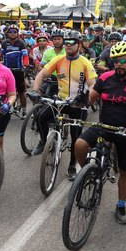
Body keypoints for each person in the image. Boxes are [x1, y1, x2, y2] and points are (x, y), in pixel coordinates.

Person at [74, 41, 126, 224]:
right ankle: (87, 172)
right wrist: (77, 103)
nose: (118, 64)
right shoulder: (106, 78)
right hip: (105, 127)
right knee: (80, 144)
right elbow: (91, 98)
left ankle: (121, 204)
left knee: (125, 171)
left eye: (123, 60)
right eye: (115, 61)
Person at [29, 31, 97, 178]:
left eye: (72, 43)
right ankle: (43, 141)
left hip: (78, 104)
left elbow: (92, 84)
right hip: (61, 100)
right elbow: (42, 74)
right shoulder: (59, 60)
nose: (68, 45)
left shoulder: (85, 62)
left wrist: (88, 100)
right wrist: (35, 90)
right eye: (66, 42)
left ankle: (73, 165)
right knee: (41, 117)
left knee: (76, 138)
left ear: (79, 45)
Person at [1, 24, 28, 119]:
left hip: (18, 71)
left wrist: (24, 65)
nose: (12, 34)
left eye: (14, 32)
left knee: (21, 92)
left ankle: (24, 111)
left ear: (17, 33)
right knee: (8, 91)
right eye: (10, 32)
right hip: (7, 71)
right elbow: (0, 56)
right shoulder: (4, 43)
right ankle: (10, 107)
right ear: (8, 33)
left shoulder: (21, 43)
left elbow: (25, 56)